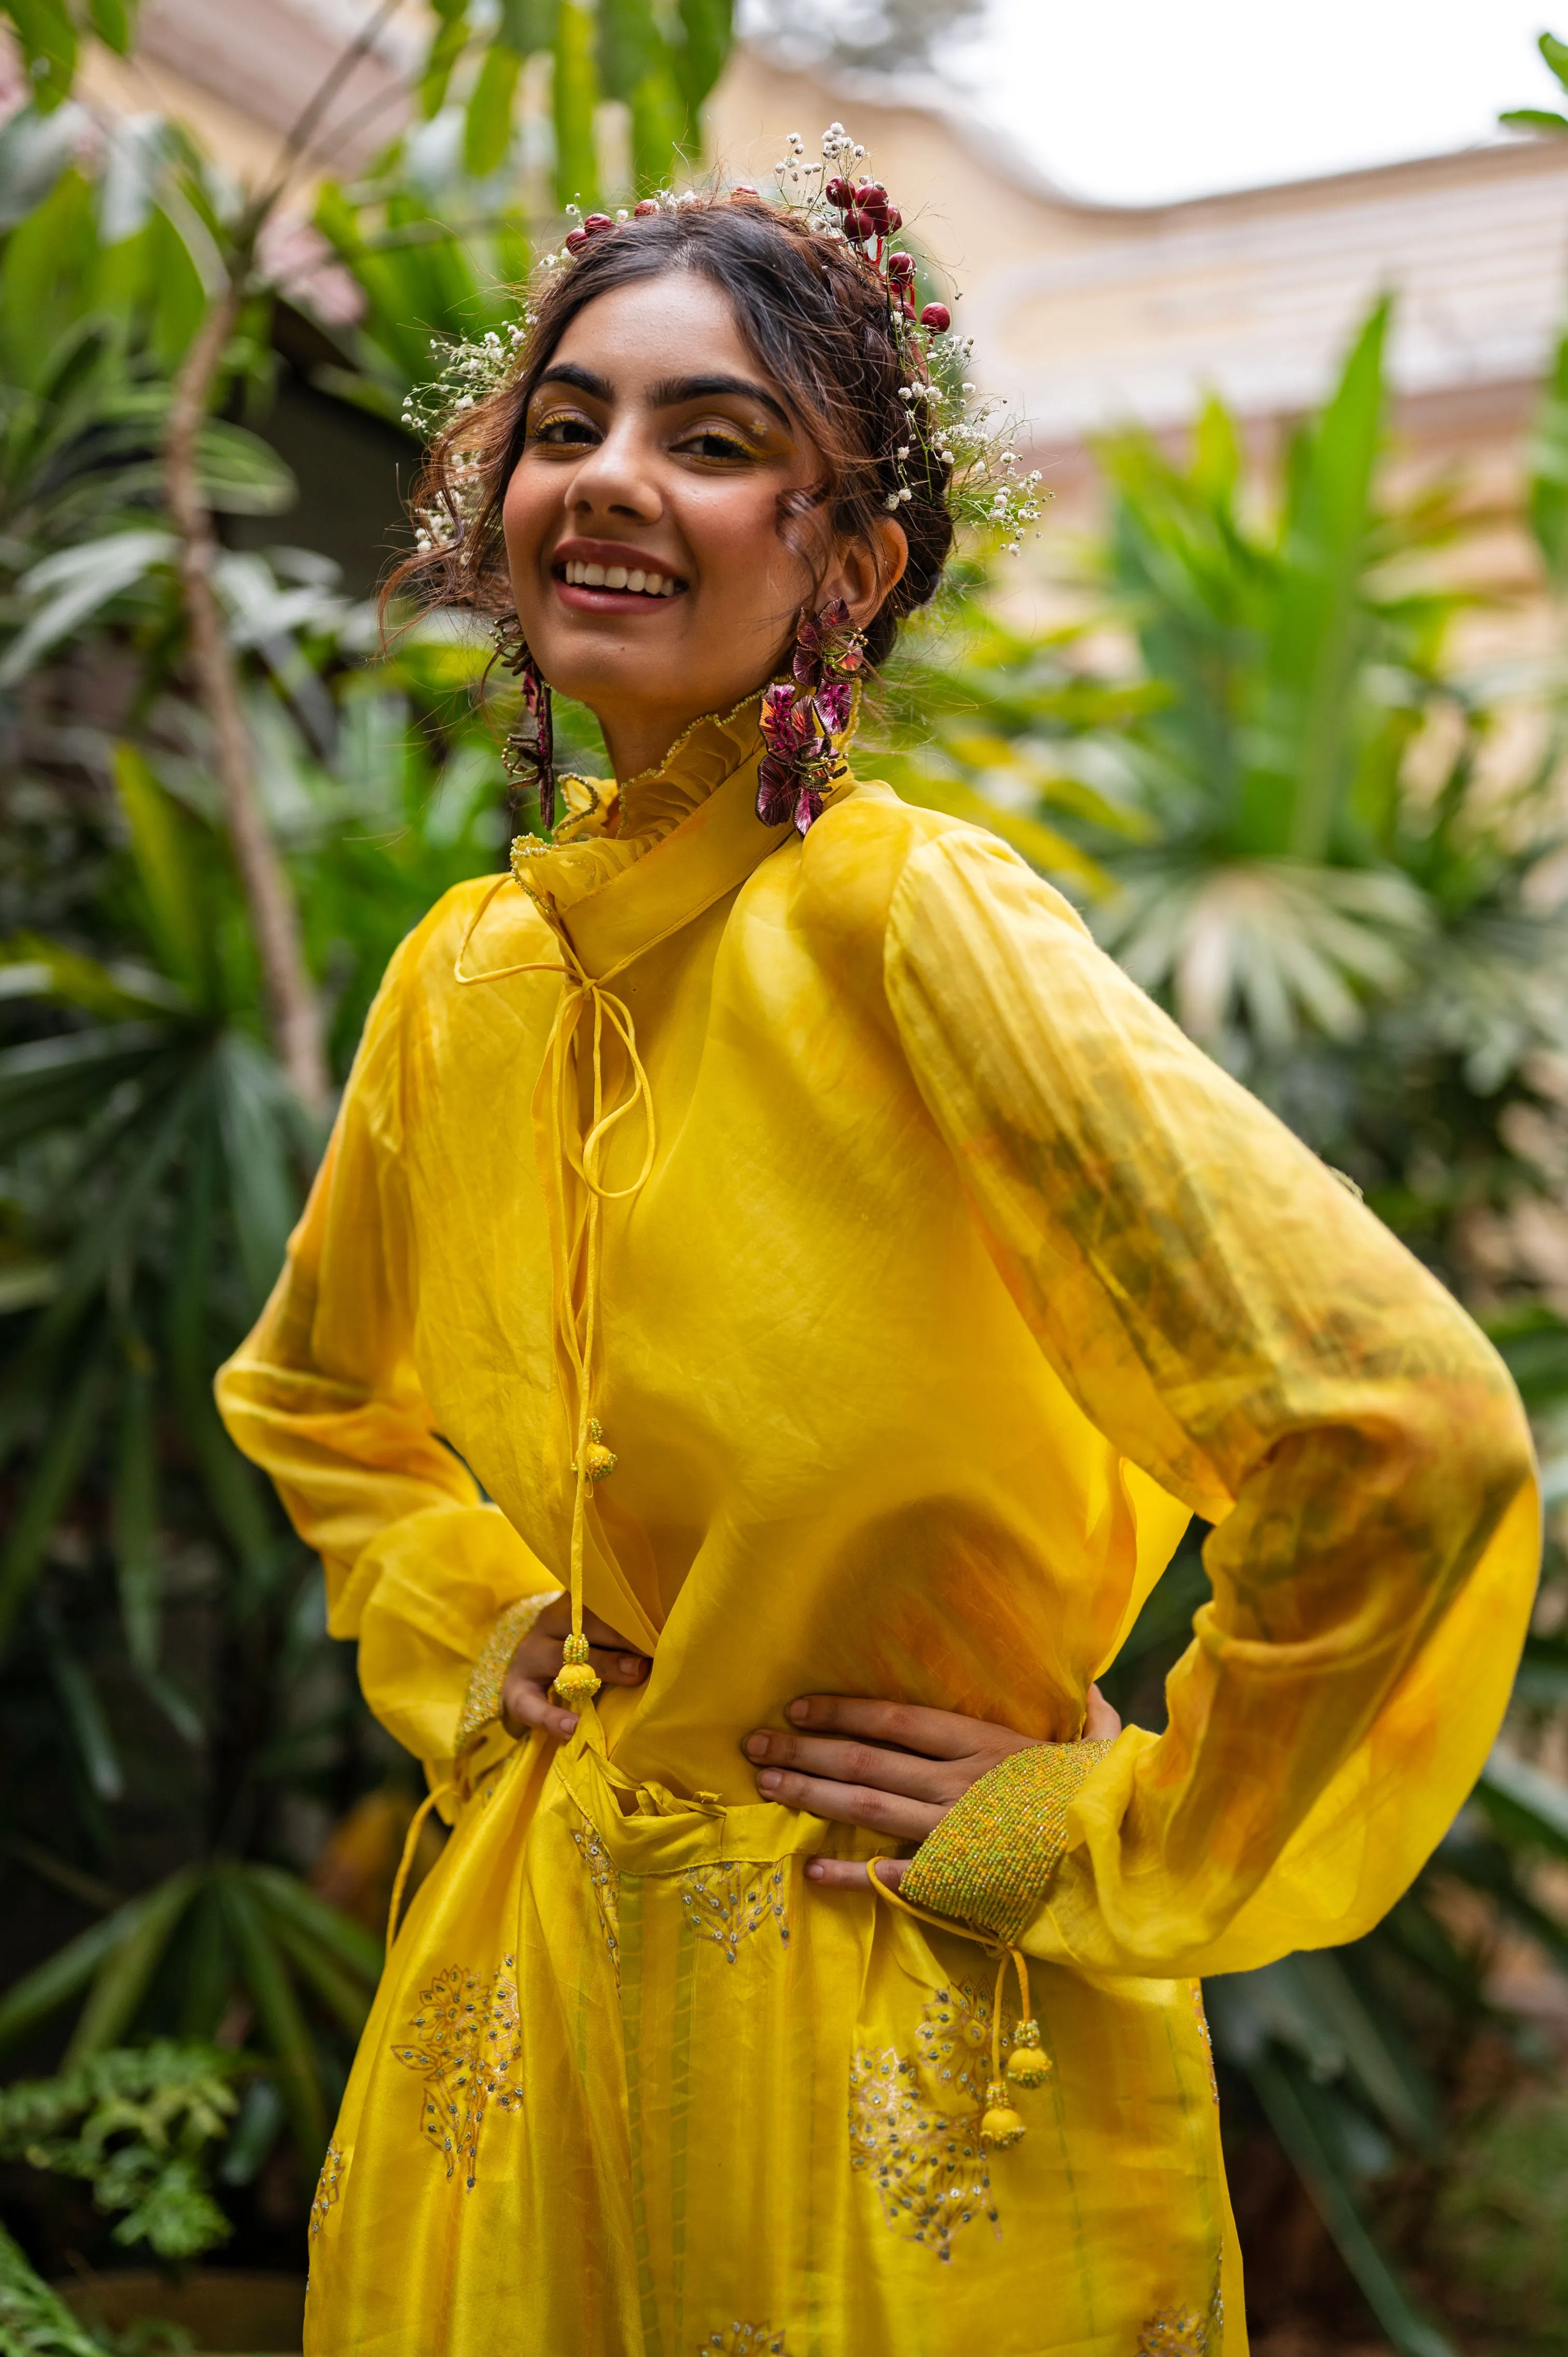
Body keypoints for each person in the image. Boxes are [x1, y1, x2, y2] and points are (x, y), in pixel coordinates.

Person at [216, 144, 1539, 2357]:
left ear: (850, 559)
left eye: (712, 441)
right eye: (570, 424)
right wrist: (471, 1633)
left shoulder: (911, 919)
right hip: (527, 1996)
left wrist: (1104, 1825)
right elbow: (314, 1398)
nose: (612, 477)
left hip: (895, 1984)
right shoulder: (467, 982)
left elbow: (1398, 1433)